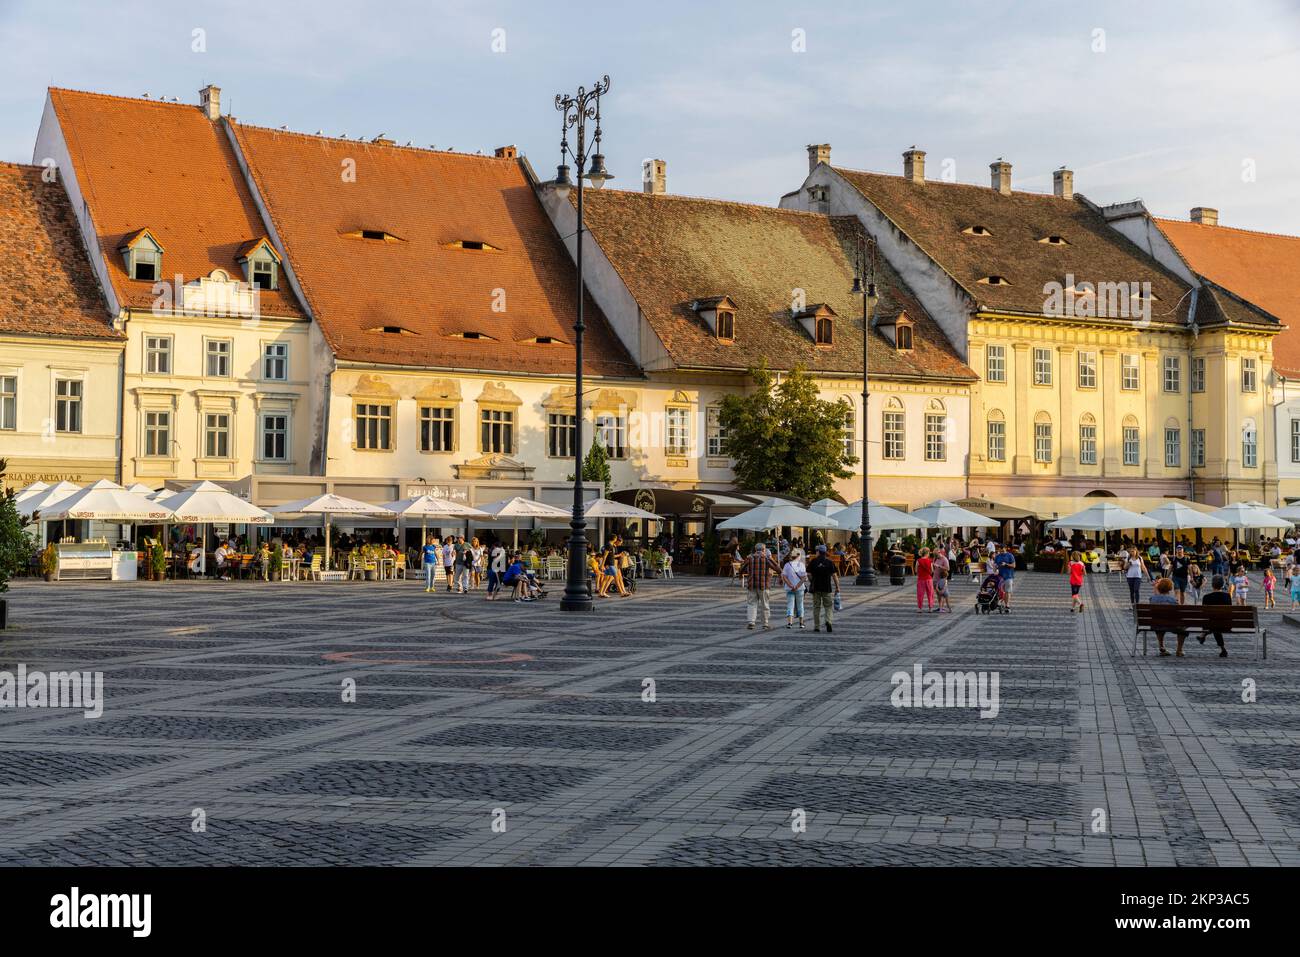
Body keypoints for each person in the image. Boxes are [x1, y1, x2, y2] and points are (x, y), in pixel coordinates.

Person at [740, 543, 782, 630]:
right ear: (763, 549)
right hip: (764, 585)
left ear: (755, 549)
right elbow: (777, 568)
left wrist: (741, 574)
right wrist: (780, 575)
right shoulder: (766, 558)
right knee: (765, 605)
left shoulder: (749, 558)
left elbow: (742, 567)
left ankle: (751, 622)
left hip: (752, 585)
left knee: (752, 603)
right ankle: (765, 623)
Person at [807, 544, 840, 633]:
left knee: (816, 607)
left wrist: (811, 581)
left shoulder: (813, 561)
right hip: (827, 588)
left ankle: (817, 626)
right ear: (825, 552)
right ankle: (828, 621)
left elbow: (809, 574)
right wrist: (837, 587)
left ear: (818, 552)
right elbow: (834, 576)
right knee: (828, 606)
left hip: (816, 588)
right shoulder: (829, 562)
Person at [1199, 575, 1232, 657]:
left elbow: (1204, 614)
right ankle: (1223, 650)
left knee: (1214, 624)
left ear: (1212, 585)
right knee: (1216, 625)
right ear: (1222, 585)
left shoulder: (1206, 597)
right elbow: (1229, 612)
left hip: (1210, 625)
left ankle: (1203, 634)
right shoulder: (1227, 596)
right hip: (1226, 625)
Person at [1149, 577, 1182, 656]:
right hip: (1171, 625)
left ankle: (1161, 646)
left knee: (1159, 622)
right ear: (1170, 588)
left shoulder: (1152, 599)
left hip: (1156, 624)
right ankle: (1179, 650)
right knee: (1183, 628)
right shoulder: (1173, 600)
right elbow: (1179, 613)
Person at [781, 548, 808, 629]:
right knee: (800, 605)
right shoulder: (801, 565)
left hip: (789, 589)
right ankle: (801, 623)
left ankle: (790, 623)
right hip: (799, 588)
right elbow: (804, 578)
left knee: (790, 605)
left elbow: (784, 577)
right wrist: (797, 586)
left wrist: (791, 585)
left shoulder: (787, 565)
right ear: (798, 556)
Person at [995, 544, 1016, 610]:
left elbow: (1014, 565)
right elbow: (995, 565)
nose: (1001, 552)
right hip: (999, 576)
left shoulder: (1010, 555)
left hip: (1008, 576)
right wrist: (995, 568)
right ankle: (999, 603)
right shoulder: (997, 556)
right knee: (999, 591)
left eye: (1002, 550)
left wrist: (1006, 564)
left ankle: (1007, 605)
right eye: (1000, 550)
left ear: (1005, 549)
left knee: (1007, 591)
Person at [915, 547, 935, 613]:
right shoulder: (930, 561)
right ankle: (930, 608)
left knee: (920, 594)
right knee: (930, 594)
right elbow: (932, 571)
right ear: (927, 553)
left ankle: (920, 608)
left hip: (920, 579)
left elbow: (915, 570)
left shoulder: (918, 561)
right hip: (929, 579)